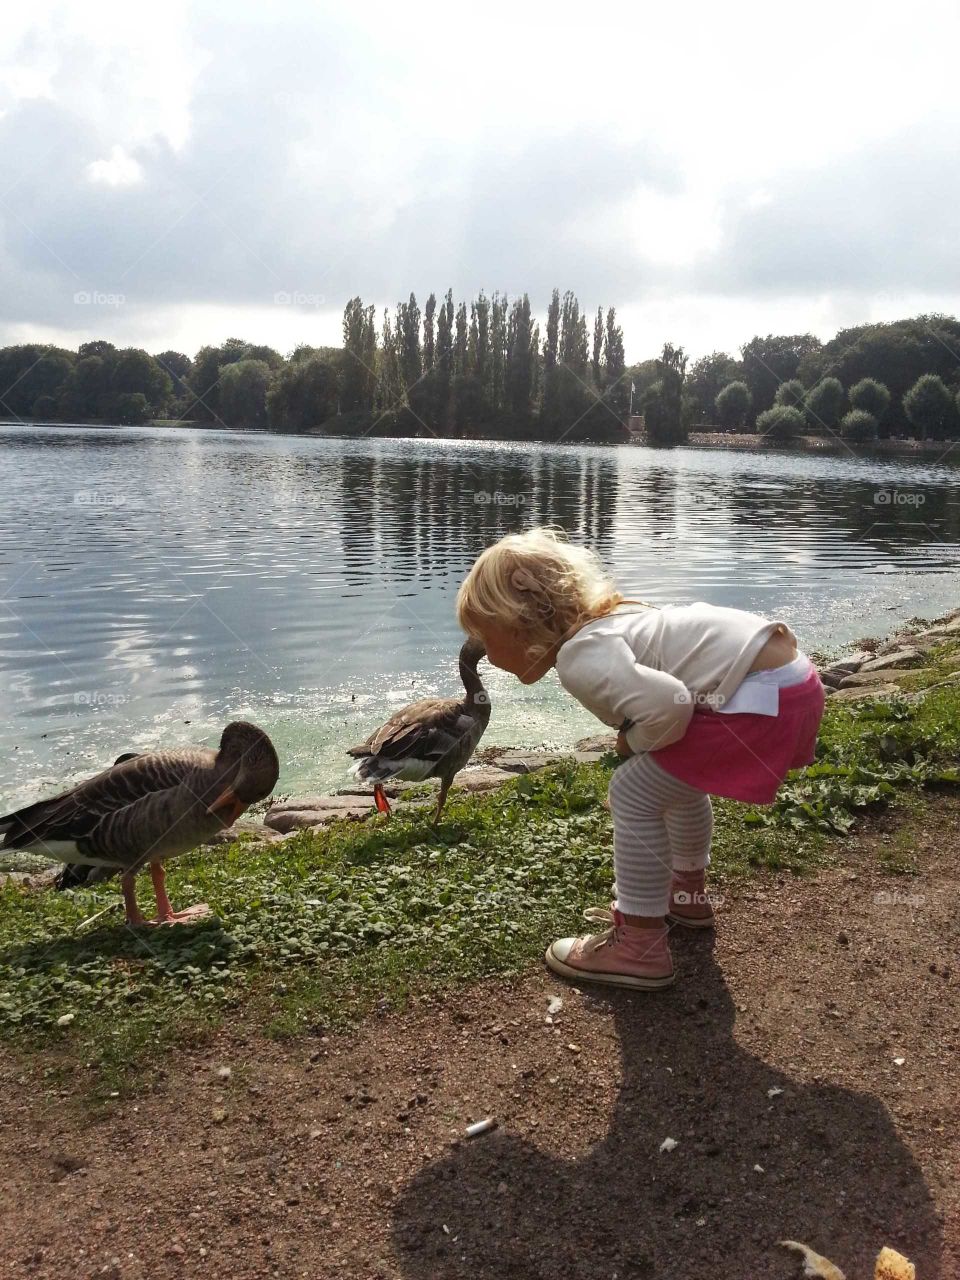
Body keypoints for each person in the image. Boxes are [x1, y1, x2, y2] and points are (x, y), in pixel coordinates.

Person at [455, 527, 825, 990]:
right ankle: (685, 893)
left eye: (485, 638)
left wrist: (631, 743)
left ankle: (639, 944)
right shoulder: (618, 619)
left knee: (631, 789)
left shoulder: (579, 657)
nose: (485, 655)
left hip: (759, 700)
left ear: (520, 624)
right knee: (674, 778)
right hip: (793, 685)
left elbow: (669, 705)